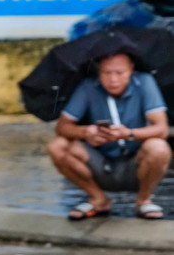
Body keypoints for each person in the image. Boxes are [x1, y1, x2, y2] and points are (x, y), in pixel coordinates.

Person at [48, 52, 171, 220]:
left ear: (131, 70)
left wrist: (128, 134)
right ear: (98, 71)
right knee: (57, 146)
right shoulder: (88, 86)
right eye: (107, 73)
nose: (113, 79)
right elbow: (62, 127)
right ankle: (98, 198)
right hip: (100, 161)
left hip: (136, 163)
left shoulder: (144, 82)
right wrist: (85, 132)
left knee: (158, 147)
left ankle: (143, 200)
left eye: (120, 73)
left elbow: (162, 129)